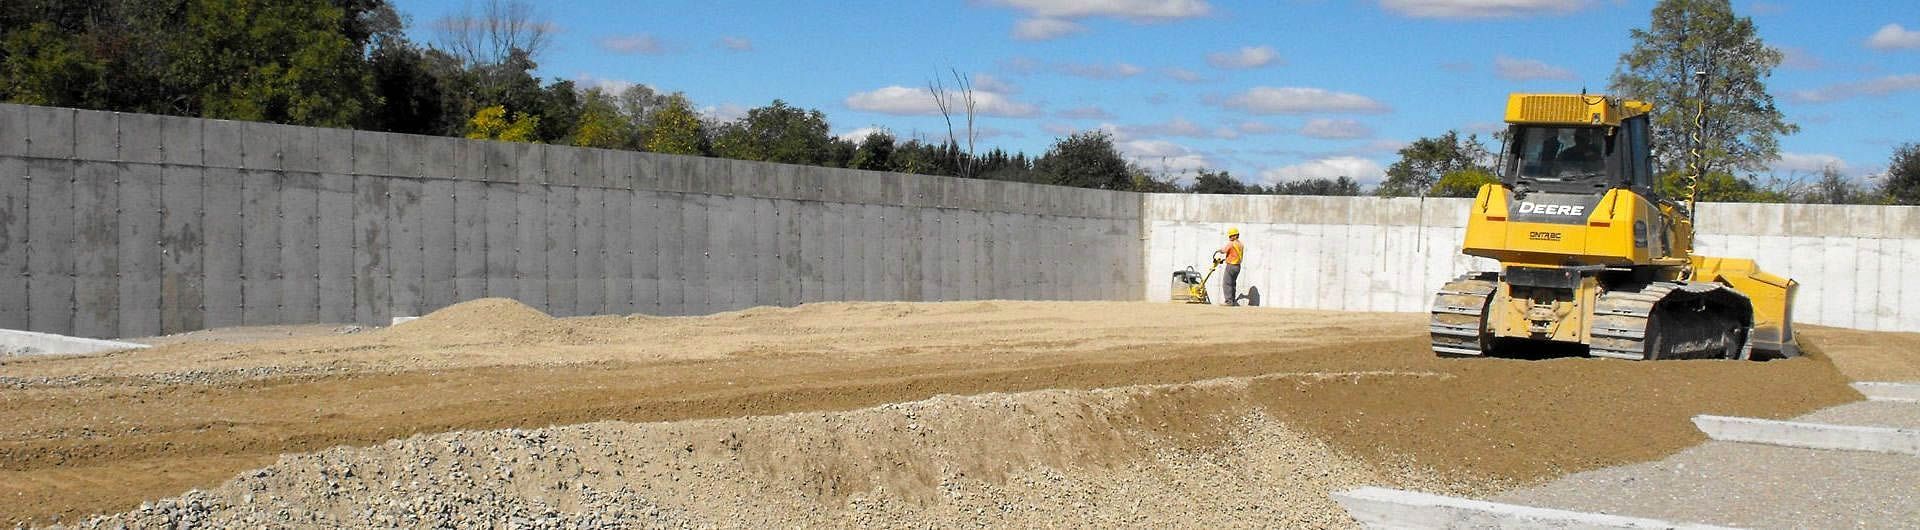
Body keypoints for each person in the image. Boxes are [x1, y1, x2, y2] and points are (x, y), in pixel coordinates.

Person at [1218, 227, 1244, 306]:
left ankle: (1228, 301)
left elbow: (1224, 250)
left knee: (1227, 283)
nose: (1230, 237)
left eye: (1231, 236)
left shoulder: (1232, 243)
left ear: (1236, 235)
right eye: (1230, 236)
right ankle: (1232, 301)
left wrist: (1220, 250)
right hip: (1237, 266)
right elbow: (1233, 254)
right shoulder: (1241, 244)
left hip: (1231, 266)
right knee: (1233, 284)